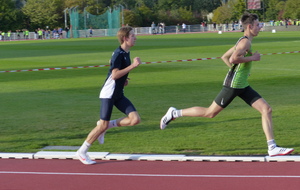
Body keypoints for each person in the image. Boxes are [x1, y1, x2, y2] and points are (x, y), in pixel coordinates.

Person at [160, 13, 294, 157]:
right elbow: (233, 58)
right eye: (257, 25)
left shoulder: (243, 40)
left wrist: (238, 71)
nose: (260, 27)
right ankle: (174, 113)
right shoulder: (245, 43)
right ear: (249, 27)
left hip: (241, 84)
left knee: (266, 109)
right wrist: (252, 58)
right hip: (234, 85)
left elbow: (224, 57)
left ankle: (272, 147)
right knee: (210, 113)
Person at [76, 26, 142, 165]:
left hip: (118, 93)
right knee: (101, 126)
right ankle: (82, 151)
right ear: (125, 38)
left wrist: (124, 81)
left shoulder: (125, 52)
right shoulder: (118, 53)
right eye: (132, 36)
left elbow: (119, 75)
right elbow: (114, 74)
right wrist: (133, 66)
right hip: (109, 94)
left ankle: (109, 126)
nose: (135, 38)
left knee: (135, 119)